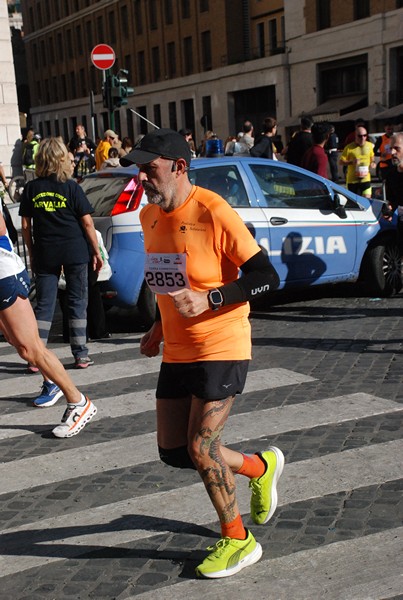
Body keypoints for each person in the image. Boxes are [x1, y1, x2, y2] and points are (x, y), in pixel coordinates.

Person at [120, 128, 284, 579]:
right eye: (139, 169)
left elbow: (267, 276)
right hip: (178, 349)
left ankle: (239, 540)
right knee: (175, 451)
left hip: (222, 341)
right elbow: (168, 282)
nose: (142, 178)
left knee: (201, 445)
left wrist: (212, 299)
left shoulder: (213, 211)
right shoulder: (148, 217)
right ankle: (259, 466)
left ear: (178, 167)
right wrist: (157, 326)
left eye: (149, 169)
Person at [0, 209, 97, 437]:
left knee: (30, 347)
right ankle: (52, 382)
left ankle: (78, 401)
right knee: (23, 347)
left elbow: (1, 230)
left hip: (4, 274)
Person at [19, 137, 102, 390]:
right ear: (61, 159)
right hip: (75, 250)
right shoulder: (72, 188)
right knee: (78, 300)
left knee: (44, 306)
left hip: (46, 251)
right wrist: (96, 251)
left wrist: (31, 252)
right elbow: (87, 222)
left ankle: (36, 356)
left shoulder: (32, 189)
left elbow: (25, 226)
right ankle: (81, 353)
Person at [381, 132, 403, 257]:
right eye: (391, 148)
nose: (393, 153)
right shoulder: (391, 175)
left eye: (397, 149)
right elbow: (393, 200)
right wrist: (389, 210)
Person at [340, 126, 376, 198]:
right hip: (352, 180)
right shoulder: (349, 147)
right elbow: (341, 162)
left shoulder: (369, 145)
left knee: (367, 200)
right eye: (360, 136)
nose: (362, 138)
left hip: (366, 179)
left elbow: (372, 157)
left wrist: (373, 163)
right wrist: (351, 162)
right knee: (354, 203)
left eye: (364, 135)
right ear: (355, 136)